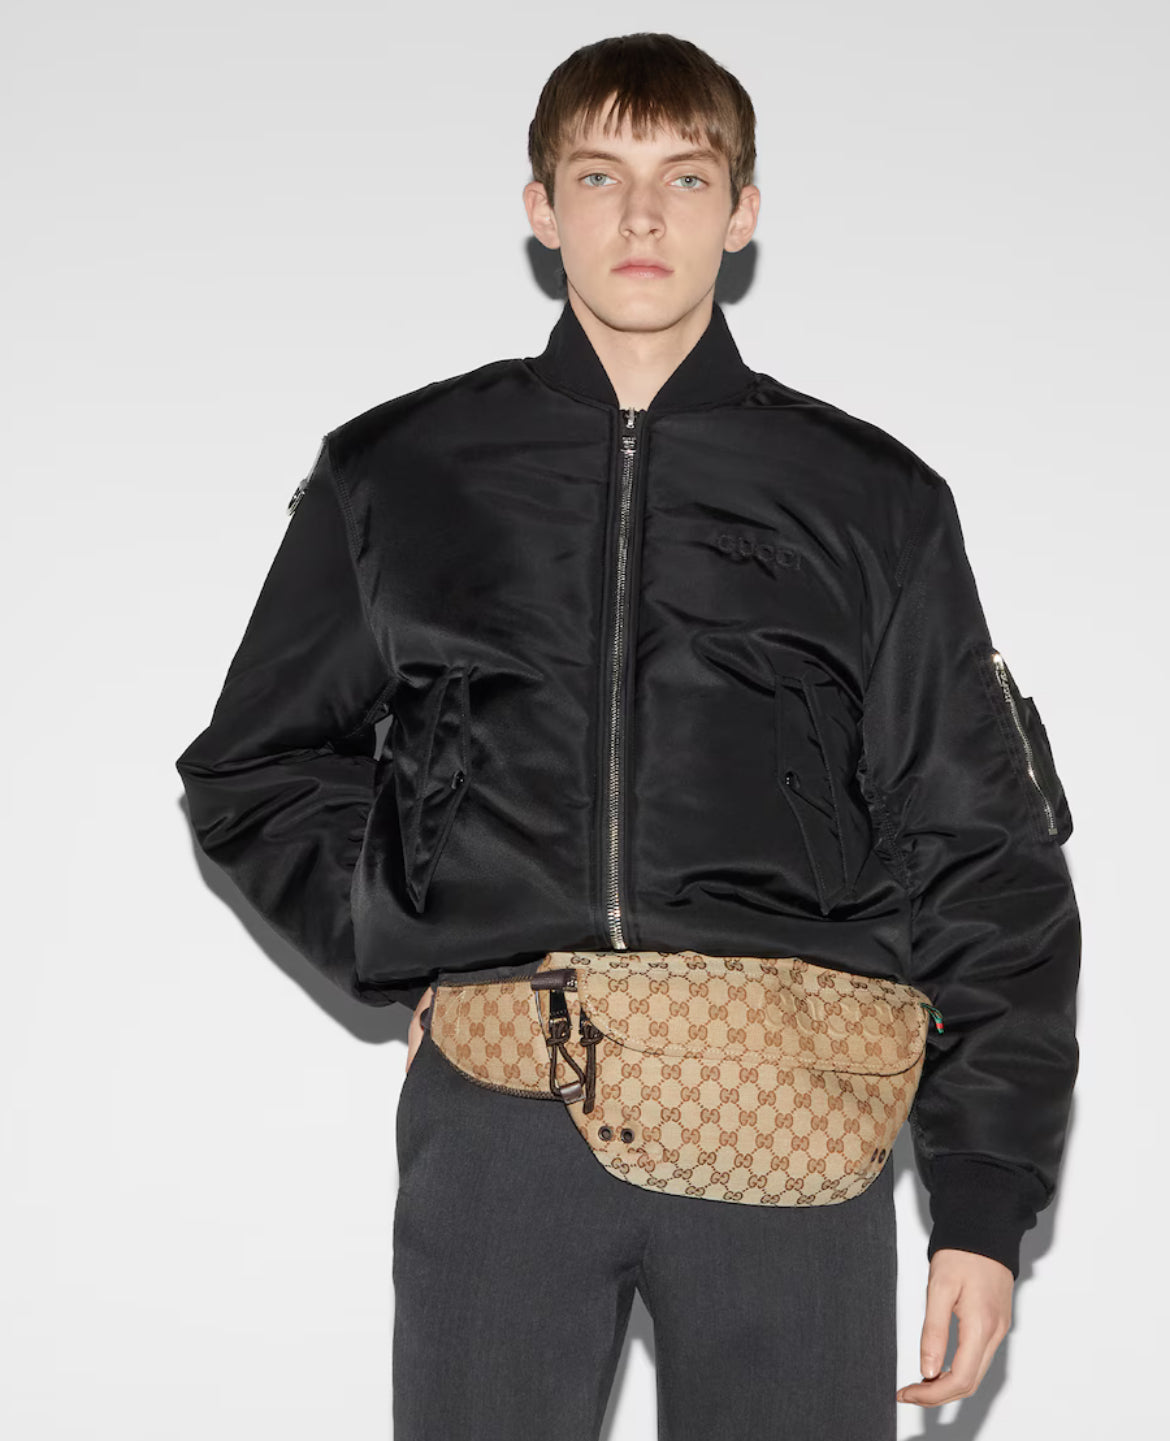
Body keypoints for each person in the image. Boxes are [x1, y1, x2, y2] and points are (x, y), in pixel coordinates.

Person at [175, 31, 1081, 1439]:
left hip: (794, 1113)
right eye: (600, 176)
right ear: (541, 208)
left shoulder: (871, 498)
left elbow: (980, 847)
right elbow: (253, 765)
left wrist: (982, 1201)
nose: (642, 217)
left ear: (744, 209)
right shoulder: (401, 472)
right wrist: (410, 928)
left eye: (686, 176)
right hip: (505, 1113)